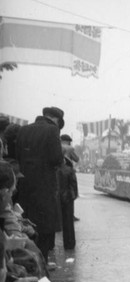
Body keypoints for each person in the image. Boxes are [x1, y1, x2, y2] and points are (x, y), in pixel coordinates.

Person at [16, 107, 65, 262]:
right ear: (56, 120)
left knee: (27, 228)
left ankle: (28, 262)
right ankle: (41, 264)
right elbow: (56, 159)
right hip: (44, 188)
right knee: (43, 230)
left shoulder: (23, 130)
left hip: (24, 187)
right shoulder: (52, 130)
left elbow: (18, 156)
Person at [58, 136, 78, 250]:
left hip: (55, 194)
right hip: (67, 194)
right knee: (68, 220)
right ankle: (70, 244)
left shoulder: (53, 168)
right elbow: (77, 159)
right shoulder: (70, 149)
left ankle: (50, 246)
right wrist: (72, 196)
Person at [60, 134, 80, 222]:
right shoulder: (69, 148)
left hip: (58, 172)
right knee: (71, 194)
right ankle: (70, 215)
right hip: (68, 173)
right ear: (67, 141)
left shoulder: (56, 146)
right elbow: (77, 159)